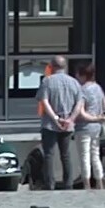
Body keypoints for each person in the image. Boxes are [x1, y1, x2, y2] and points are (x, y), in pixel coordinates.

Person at [35, 56, 85, 190]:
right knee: (66, 154)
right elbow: (80, 103)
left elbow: (44, 101)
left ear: (51, 66)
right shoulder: (74, 82)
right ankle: (68, 183)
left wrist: (55, 119)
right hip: (68, 125)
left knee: (49, 155)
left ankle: (49, 183)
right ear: (65, 66)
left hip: (49, 125)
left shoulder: (47, 81)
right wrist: (70, 119)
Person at [74, 63, 105, 190]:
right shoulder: (97, 88)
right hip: (97, 127)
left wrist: (92, 117)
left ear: (83, 75)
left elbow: (81, 112)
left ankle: (87, 183)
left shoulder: (82, 90)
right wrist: (98, 117)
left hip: (84, 127)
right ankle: (99, 181)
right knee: (95, 154)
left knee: (84, 156)